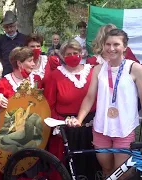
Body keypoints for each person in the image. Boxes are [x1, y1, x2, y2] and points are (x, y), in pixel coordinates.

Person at [66, 29, 142, 179]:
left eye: (116, 44)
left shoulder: (134, 68)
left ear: (125, 47)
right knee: (107, 171)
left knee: (122, 175)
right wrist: (79, 119)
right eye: (108, 44)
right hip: (101, 129)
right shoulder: (98, 69)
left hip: (124, 129)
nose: (111, 48)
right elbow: (90, 97)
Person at [43, 39, 100, 180]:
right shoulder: (55, 75)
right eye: (68, 53)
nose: (73, 55)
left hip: (91, 127)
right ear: (62, 55)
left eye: (76, 52)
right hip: (66, 127)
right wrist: (59, 124)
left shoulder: (93, 72)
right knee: (67, 167)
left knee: (91, 164)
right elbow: (49, 104)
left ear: (81, 53)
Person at [0, 11, 26, 76]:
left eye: (11, 26)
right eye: (6, 27)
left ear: (16, 25)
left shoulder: (24, 38)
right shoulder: (0, 40)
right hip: (6, 73)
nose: (9, 29)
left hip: (22, 72)